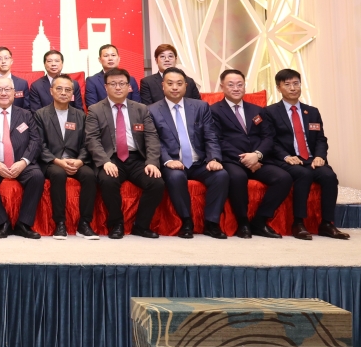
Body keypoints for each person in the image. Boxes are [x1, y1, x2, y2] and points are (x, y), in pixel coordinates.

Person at [264, 69, 349, 240]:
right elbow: (270, 141)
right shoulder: (270, 112)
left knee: (329, 176)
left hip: (311, 159)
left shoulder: (312, 112)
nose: (293, 88)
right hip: (287, 159)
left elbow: (320, 139)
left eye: (296, 83)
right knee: (303, 174)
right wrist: (286, 156)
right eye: (287, 84)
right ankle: (298, 223)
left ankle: (327, 224)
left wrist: (320, 156)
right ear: (279, 88)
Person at [210, 69, 293, 239]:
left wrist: (257, 155)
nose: (236, 88)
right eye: (231, 85)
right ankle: (243, 223)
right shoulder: (214, 110)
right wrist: (245, 158)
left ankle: (259, 221)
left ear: (244, 86)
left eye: (239, 84)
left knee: (283, 178)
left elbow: (268, 137)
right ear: (222, 86)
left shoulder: (257, 110)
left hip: (258, 158)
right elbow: (218, 140)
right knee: (237, 177)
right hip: (232, 160)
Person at [147, 68, 228, 239]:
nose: (175, 87)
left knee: (221, 175)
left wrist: (213, 158)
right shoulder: (152, 110)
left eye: (179, 83)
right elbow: (154, 141)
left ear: (186, 85)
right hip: (173, 162)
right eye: (170, 83)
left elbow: (210, 136)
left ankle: (211, 223)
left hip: (199, 162)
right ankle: (186, 222)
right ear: (163, 86)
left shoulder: (200, 106)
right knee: (176, 177)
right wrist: (167, 161)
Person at [85, 67, 164, 239]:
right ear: (106, 87)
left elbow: (151, 137)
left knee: (156, 183)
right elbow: (92, 139)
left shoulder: (141, 109)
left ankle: (141, 226)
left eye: (122, 83)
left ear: (129, 87)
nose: (118, 87)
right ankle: (117, 224)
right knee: (107, 180)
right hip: (111, 158)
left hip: (136, 159)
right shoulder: (95, 110)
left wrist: (152, 162)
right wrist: (105, 161)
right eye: (113, 84)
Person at [0, 79, 43, 239]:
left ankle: (23, 224)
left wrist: (24, 162)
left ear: (14, 92)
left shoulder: (26, 115)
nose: (3, 93)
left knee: (37, 176)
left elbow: (35, 141)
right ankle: (2, 223)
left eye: (7, 89)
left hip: (21, 163)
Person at [34, 75, 98, 238]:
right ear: (51, 91)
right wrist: (57, 161)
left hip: (76, 160)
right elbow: (39, 144)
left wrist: (80, 161)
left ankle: (84, 223)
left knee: (90, 175)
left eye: (68, 90)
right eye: (59, 89)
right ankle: (60, 223)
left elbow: (87, 143)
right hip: (52, 161)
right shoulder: (40, 114)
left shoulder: (80, 115)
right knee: (58, 174)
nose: (63, 93)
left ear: (73, 93)